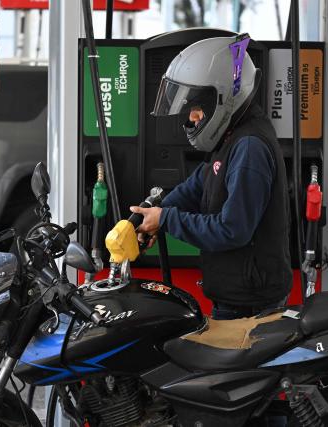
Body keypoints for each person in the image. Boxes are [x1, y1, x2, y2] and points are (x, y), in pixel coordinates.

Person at [131, 35, 292, 321]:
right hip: (237, 297)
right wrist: (152, 218)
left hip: (250, 307)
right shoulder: (232, 135)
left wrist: (166, 219)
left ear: (224, 98)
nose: (191, 117)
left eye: (197, 106)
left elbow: (232, 229)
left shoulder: (249, 147)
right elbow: (199, 185)